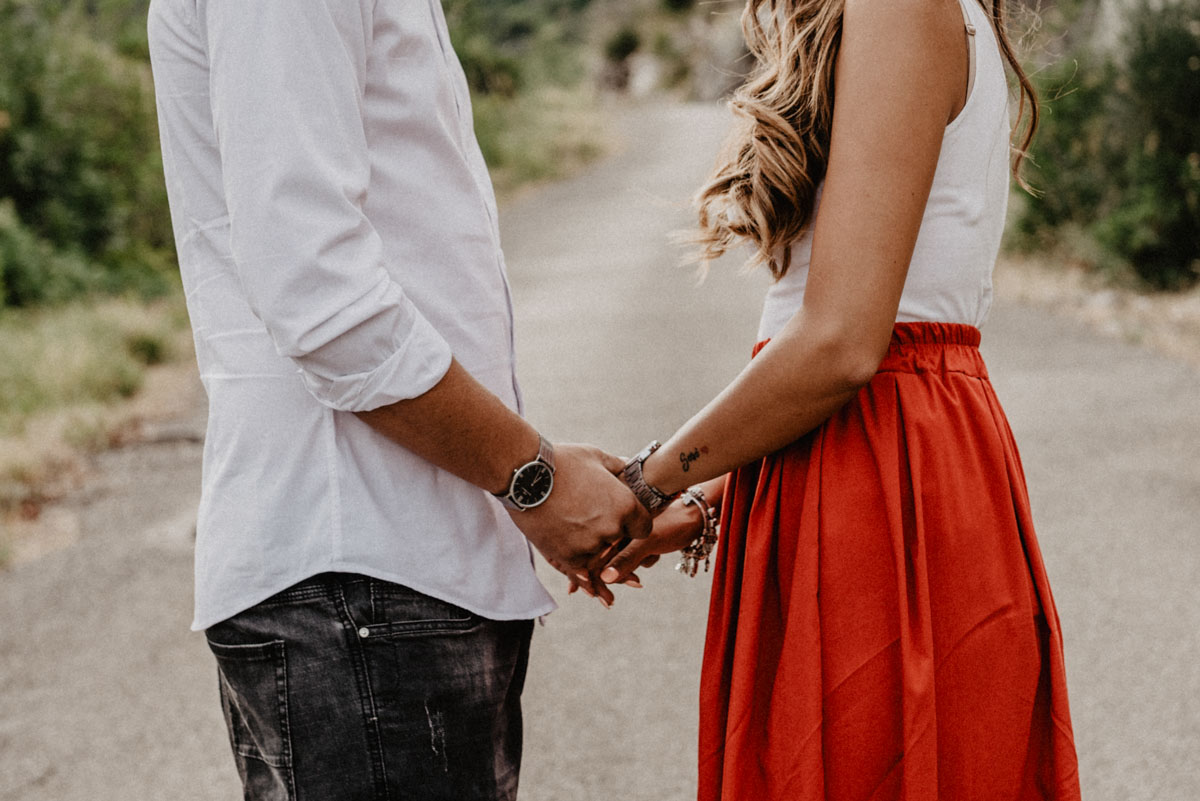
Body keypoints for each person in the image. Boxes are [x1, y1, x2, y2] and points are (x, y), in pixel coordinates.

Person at [146, 1, 649, 799]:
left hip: (391, 580)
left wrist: (538, 465)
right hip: (360, 584)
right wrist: (533, 476)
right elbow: (319, 295)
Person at [598, 0, 1084, 798]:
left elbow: (841, 343)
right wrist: (720, 489)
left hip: (882, 469)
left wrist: (651, 478)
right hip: (865, 448)